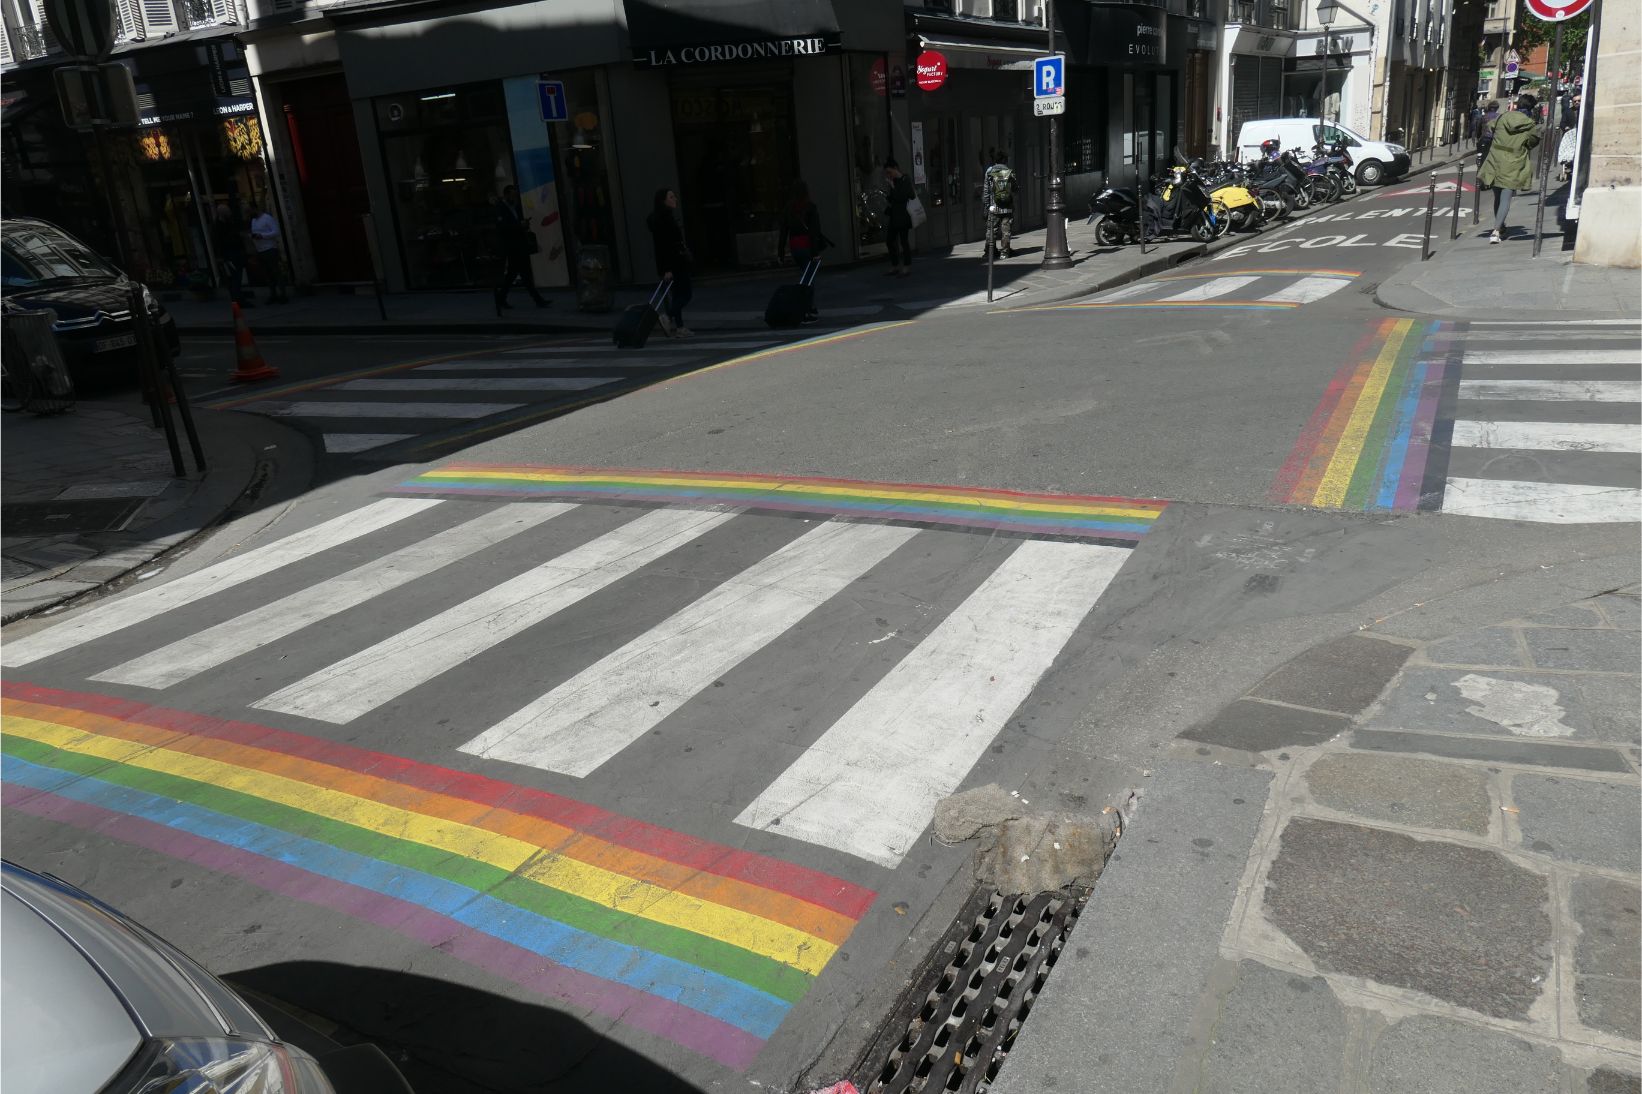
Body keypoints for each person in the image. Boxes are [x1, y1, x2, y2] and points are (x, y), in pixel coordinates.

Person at [1477, 94, 1542, 244]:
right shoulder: (1529, 124)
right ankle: (1496, 231)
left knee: (1498, 196)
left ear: (1517, 105)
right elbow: (1532, 142)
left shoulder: (1502, 117)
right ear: (1531, 108)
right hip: (1514, 160)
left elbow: (1490, 127)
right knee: (1506, 197)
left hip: (1496, 158)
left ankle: (1500, 227)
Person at [777, 180, 830, 323]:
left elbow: (783, 232)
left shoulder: (788, 208)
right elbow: (814, 231)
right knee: (809, 280)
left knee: (806, 278)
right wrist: (815, 252)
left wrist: (780, 253)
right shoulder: (810, 207)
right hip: (808, 246)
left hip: (795, 247)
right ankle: (806, 310)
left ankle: (809, 307)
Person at [493, 184, 548, 316]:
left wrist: (524, 224)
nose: (514, 198)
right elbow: (503, 227)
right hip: (512, 246)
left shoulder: (515, 207)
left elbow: (516, 224)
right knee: (522, 273)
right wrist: (519, 225)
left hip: (519, 245)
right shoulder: (500, 208)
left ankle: (502, 298)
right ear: (506, 195)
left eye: (515, 195)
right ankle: (537, 299)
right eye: (512, 195)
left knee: (515, 274)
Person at [647, 187, 693, 336]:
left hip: (672, 263)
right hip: (675, 263)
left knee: (677, 295)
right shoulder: (664, 220)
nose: (675, 199)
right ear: (663, 201)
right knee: (686, 294)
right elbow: (663, 246)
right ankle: (667, 316)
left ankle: (680, 327)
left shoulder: (663, 218)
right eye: (671, 197)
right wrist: (667, 269)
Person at [881, 158, 915, 278]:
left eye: (889, 172)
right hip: (894, 215)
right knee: (889, 240)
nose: (889, 175)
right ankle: (895, 265)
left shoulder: (905, 179)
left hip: (903, 216)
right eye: (887, 173)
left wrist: (893, 187)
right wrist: (888, 193)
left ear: (895, 168)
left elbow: (905, 196)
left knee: (904, 241)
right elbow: (893, 198)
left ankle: (906, 266)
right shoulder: (894, 181)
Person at [248, 204, 288, 304]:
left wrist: (262, 236)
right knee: (267, 274)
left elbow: (276, 232)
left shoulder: (267, 218)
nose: (249, 214)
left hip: (270, 248)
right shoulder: (253, 221)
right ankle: (273, 294)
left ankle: (283, 294)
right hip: (260, 250)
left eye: (250, 211)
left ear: (255, 209)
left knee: (276, 272)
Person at [981, 153, 1017, 260]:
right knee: (1006, 231)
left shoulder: (989, 172)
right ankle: (1004, 253)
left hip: (994, 207)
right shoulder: (1009, 172)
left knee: (991, 230)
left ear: (995, 160)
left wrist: (987, 206)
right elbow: (1015, 189)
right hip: (1007, 207)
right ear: (1005, 160)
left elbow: (986, 191)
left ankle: (989, 252)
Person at [212, 203, 248, 308]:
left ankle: (237, 299)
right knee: (235, 277)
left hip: (235, 252)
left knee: (237, 277)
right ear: (222, 213)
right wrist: (220, 257)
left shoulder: (229, 223)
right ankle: (237, 300)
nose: (230, 213)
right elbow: (217, 242)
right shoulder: (218, 226)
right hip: (228, 254)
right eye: (227, 211)